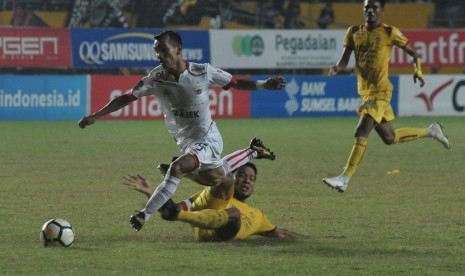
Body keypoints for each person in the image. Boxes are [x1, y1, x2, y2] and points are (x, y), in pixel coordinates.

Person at [78, 30, 286, 230]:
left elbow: (235, 82)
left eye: (163, 50)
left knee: (177, 168)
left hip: (208, 139)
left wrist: (263, 84)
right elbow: (126, 97)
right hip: (186, 142)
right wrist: (95, 115)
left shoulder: (202, 72)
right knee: (216, 177)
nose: (159, 55)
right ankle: (252, 151)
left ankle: (144, 215)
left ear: (178, 49)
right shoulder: (155, 79)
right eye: (157, 51)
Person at [322, 0, 450, 193]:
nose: (370, 11)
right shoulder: (353, 31)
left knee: (361, 131)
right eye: (367, 7)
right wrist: (336, 68)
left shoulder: (390, 32)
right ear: (363, 10)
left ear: (382, 10)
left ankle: (344, 178)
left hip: (380, 92)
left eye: (374, 7)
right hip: (365, 93)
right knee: (390, 137)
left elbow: (414, 53)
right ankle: (431, 131)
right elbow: (345, 60)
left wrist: (418, 71)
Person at [124, 162, 305, 241]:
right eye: (241, 175)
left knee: (234, 214)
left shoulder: (259, 216)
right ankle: (185, 173)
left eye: (252, 178)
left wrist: (305, 239)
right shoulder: (209, 194)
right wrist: (150, 192)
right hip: (207, 232)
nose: (247, 180)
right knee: (229, 201)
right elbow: (170, 208)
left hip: (225, 232)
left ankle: (185, 176)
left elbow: (279, 233)